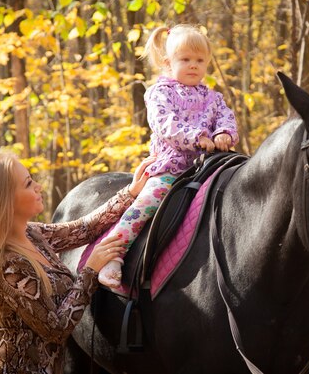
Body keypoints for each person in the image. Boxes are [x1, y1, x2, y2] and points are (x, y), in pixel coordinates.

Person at [0, 149, 155, 374]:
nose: (38, 186)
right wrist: (90, 269)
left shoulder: (31, 234)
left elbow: (83, 229)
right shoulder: (8, 264)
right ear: (5, 201)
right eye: (28, 183)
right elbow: (56, 328)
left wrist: (131, 192)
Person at [97, 24, 239, 288]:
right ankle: (114, 252)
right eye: (185, 59)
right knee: (147, 202)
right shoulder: (160, 93)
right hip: (172, 167)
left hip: (208, 166)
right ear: (167, 62)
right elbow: (166, 124)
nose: (193, 65)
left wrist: (224, 134)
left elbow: (226, 118)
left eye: (199, 60)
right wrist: (198, 137)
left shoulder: (213, 97)